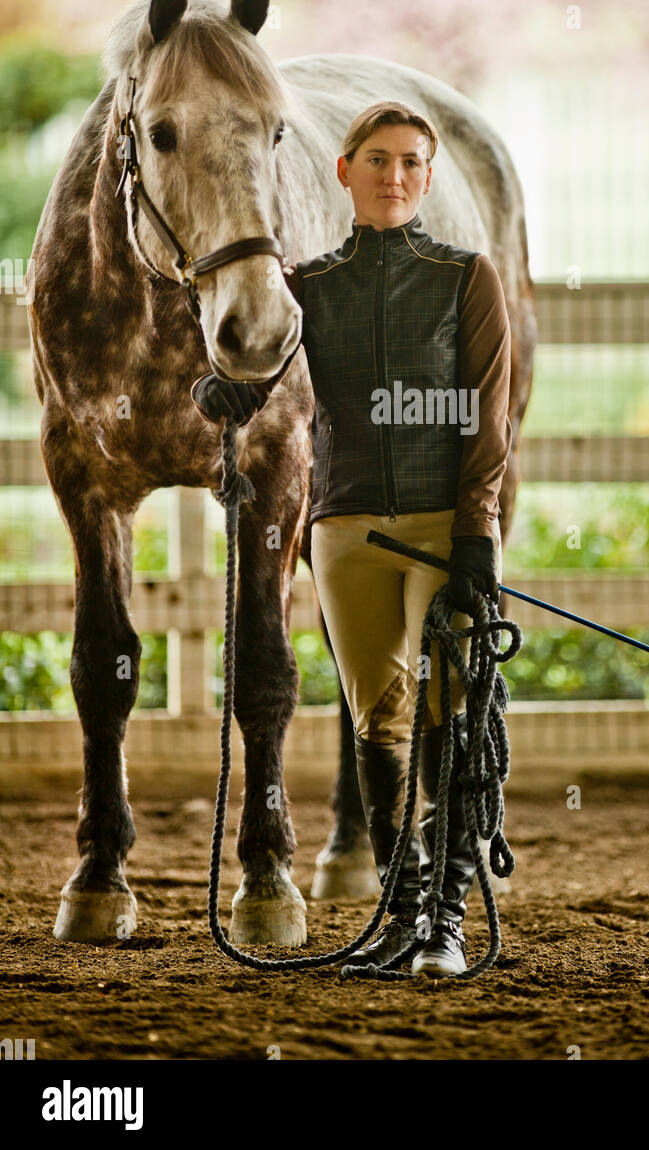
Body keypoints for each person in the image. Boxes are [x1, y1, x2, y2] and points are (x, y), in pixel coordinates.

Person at [192, 100, 512, 976]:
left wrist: (477, 529)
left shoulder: (465, 277)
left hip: (444, 527)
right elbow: (261, 376)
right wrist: (221, 393)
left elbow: (488, 419)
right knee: (379, 715)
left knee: (448, 706)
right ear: (346, 172)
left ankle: (446, 919)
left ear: (427, 176)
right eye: (378, 159)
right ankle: (401, 910)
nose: (395, 176)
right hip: (345, 527)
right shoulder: (311, 287)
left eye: (412, 162)